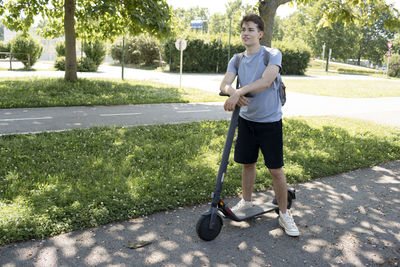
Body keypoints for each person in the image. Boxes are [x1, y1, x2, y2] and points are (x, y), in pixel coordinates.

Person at [219, 13, 299, 237]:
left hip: (270, 121)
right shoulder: (237, 59)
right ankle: (246, 201)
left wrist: (237, 93)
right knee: (248, 163)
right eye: (243, 29)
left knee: (275, 169)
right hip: (247, 120)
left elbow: (265, 82)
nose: (245, 33)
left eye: (251, 29)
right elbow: (225, 83)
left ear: (261, 34)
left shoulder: (272, 54)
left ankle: (284, 214)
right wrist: (233, 92)